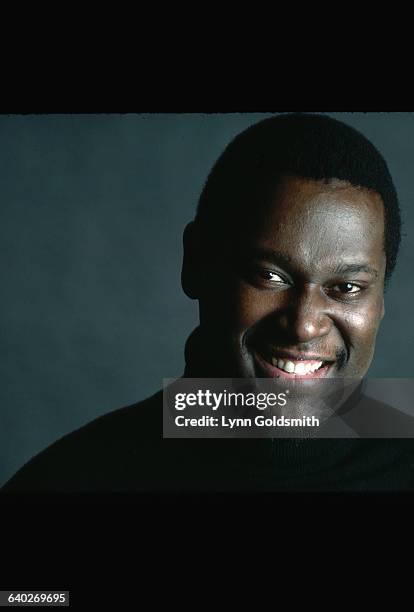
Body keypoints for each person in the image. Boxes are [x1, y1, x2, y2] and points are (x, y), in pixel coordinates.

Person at [2, 113, 414, 493]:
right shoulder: (70, 485)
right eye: (270, 276)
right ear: (196, 264)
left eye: (346, 288)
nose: (304, 325)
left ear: (380, 300)